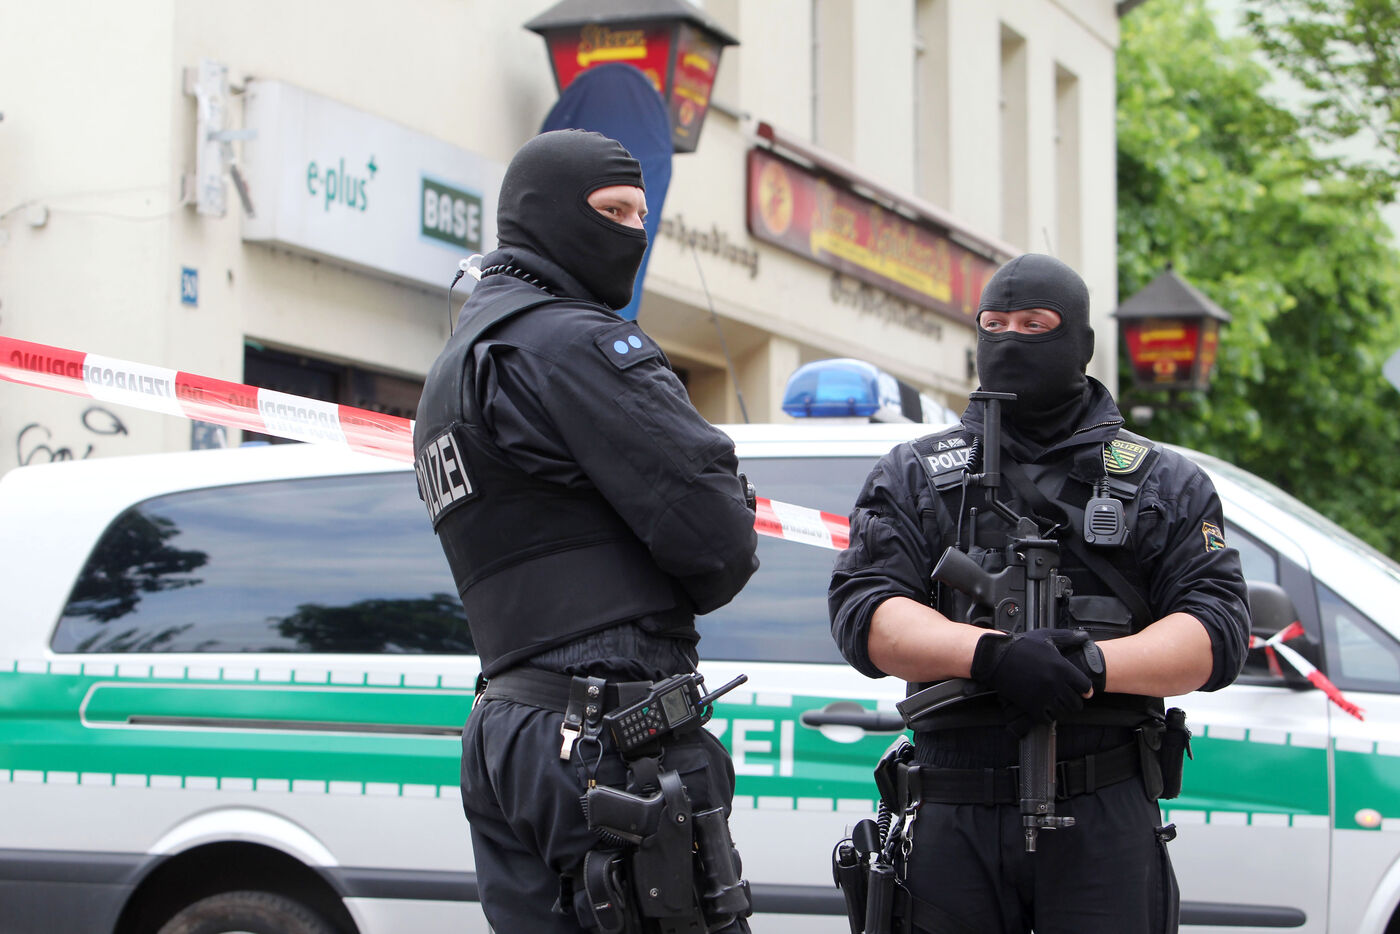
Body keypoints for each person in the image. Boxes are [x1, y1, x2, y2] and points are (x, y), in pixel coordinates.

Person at [828, 253, 1250, 934]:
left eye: (1034, 324)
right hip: (953, 811)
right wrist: (992, 656)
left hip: (1103, 809)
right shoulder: (914, 474)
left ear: (1080, 343)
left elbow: (1216, 629)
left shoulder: (1162, 483)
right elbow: (866, 613)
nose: (1010, 340)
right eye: (993, 325)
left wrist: (1092, 666)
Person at [413, 129, 759, 933]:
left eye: (641, 213)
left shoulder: (451, 373)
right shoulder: (575, 342)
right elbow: (720, 543)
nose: (633, 232)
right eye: (612, 210)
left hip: (508, 733)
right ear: (544, 214)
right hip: (609, 740)